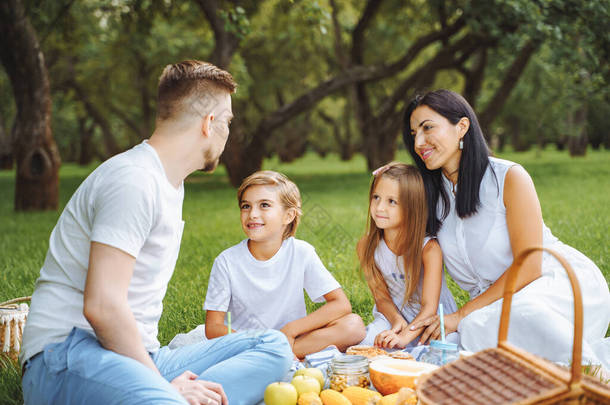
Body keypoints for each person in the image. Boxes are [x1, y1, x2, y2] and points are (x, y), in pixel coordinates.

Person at [19, 60, 293, 405]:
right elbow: (102, 306)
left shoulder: (169, 184)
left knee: (272, 347)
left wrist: (155, 376)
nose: (228, 133)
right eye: (227, 122)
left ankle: (174, 396)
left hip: (137, 355)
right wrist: (160, 385)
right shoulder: (134, 180)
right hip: (67, 357)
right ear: (209, 124)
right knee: (165, 399)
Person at [403, 89, 610, 368]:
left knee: (485, 323)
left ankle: (590, 371)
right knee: (459, 342)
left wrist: (460, 316)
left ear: (461, 127)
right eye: (413, 133)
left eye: (428, 128)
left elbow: (529, 266)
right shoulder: (431, 195)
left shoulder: (508, 177)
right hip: (492, 307)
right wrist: (393, 178)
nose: (419, 141)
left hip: (553, 283)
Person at [203, 170, 366, 359]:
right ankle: (273, 353)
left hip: (293, 338)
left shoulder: (301, 252)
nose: (252, 214)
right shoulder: (226, 261)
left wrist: (290, 330)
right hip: (250, 344)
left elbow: (341, 304)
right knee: (239, 348)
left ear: (288, 216)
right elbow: (213, 327)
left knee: (354, 325)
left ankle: (279, 353)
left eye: (264, 205)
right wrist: (260, 342)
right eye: (246, 206)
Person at [356, 162, 458, 349]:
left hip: (430, 321)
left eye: (391, 201)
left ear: (412, 207)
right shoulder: (366, 246)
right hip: (392, 316)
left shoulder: (429, 249)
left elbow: (429, 308)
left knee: (447, 349)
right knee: (368, 343)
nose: (379, 208)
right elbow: (381, 298)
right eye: (376, 197)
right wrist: (396, 323)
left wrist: (404, 337)